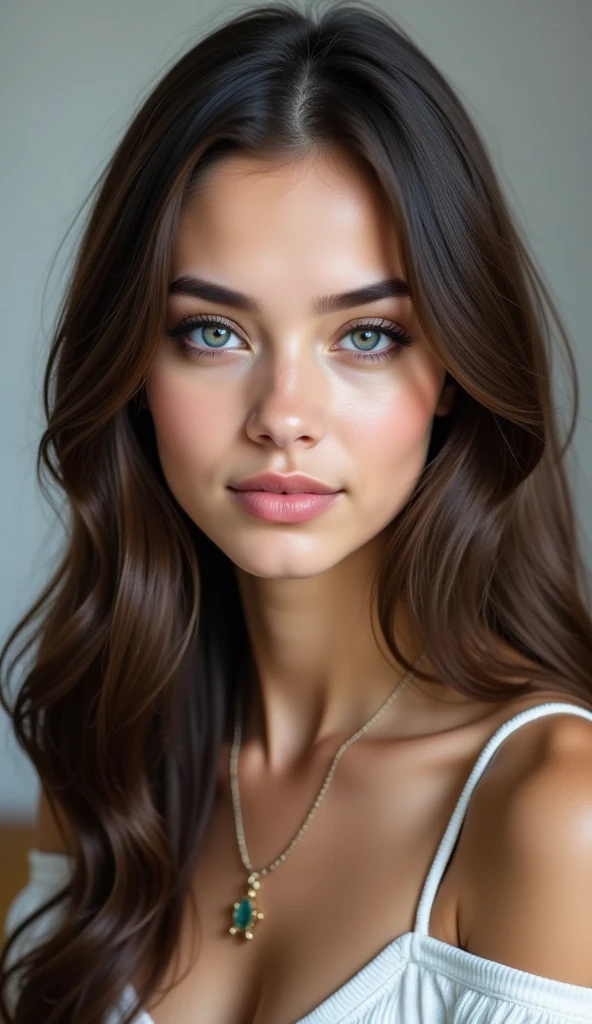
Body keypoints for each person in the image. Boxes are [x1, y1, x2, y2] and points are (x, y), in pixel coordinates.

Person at [2, 2, 592, 1022]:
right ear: (136, 365)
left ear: (451, 368)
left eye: (364, 335)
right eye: (212, 331)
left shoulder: (550, 812)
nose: (283, 417)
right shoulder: (107, 759)